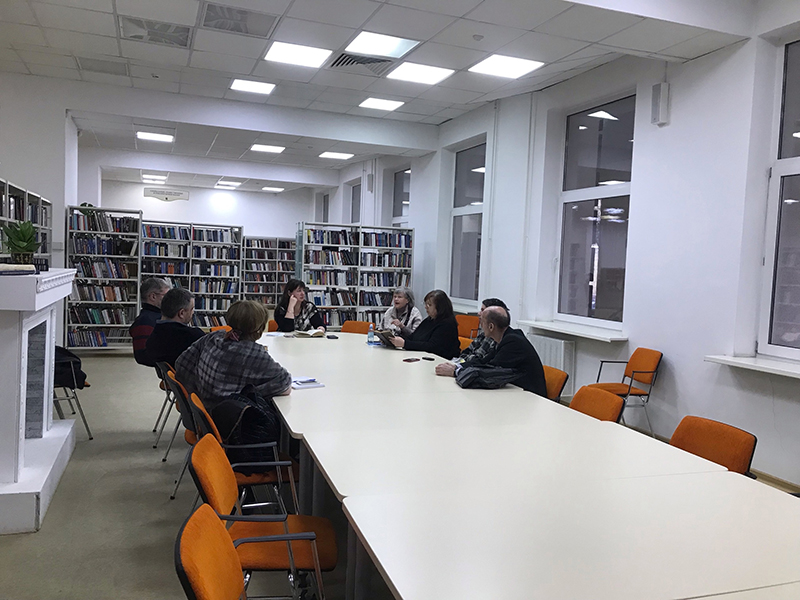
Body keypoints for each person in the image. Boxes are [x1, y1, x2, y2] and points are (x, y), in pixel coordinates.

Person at [176, 300, 292, 410]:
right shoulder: (253, 353)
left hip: (202, 410)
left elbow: (182, 362)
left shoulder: (213, 336)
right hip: (228, 418)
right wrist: (250, 392)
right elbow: (285, 385)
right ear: (259, 329)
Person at [436, 306, 547, 396]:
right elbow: (483, 362)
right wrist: (457, 366)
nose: (480, 325)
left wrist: (456, 372)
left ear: (491, 327)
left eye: (482, 322)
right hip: (511, 391)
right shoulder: (503, 338)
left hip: (529, 397)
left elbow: (490, 372)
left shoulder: (513, 342)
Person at [390, 289, 460, 359]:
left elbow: (432, 346)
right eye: (426, 304)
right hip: (425, 356)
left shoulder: (447, 324)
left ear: (439, 307)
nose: (426, 307)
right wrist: (395, 340)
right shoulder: (429, 320)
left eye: (429, 305)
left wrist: (405, 344)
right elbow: (414, 337)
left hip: (442, 359)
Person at [145, 288, 205, 368]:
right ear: (181, 313)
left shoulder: (153, 337)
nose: (193, 312)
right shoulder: (194, 336)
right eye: (192, 309)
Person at [129, 277, 170, 366]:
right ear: (153, 296)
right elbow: (142, 356)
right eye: (166, 296)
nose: (169, 300)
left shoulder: (159, 316)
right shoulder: (145, 321)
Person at [458, 298, 509, 365]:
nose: (479, 313)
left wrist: (468, 359)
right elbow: (465, 353)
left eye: (483, 310)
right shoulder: (483, 335)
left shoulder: (496, 340)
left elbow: (480, 361)